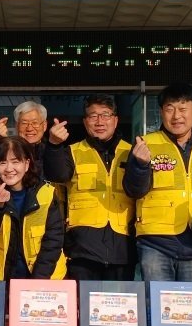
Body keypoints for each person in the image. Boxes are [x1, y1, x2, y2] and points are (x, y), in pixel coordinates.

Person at [122, 82, 192, 282]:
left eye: (183, 109)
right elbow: (133, 190)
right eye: (170, 109)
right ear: (161, 112)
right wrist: (140, 165)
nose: (176, 116)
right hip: (155, 242)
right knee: (157, 299)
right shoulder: (145, 143)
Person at [43, 94, 135, 280]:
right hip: (82, 246)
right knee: (83, 297)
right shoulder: (72, 151)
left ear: (116, 120)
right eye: (93, 116)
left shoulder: (132, 152)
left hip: (122, 246)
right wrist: (54, 145)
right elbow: (57, 174)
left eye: (105, 115)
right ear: (85, 122)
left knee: (120, 298)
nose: (99, 121)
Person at [0, 136, 66, 280]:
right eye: (2, 162)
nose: (8, 169)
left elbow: (54, 240)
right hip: (1, 277)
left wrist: (38, 280)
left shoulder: (46, 192)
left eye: (15, 161)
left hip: (42, 276)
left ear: (27, 164)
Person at [0, 100, 49, 179]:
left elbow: (60, 176)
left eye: (35, 123)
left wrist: (56, 146)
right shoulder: (9, 149)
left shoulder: (53, 152)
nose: (29, 128)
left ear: (44, 125)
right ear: (17, 126)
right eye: (24, 123)